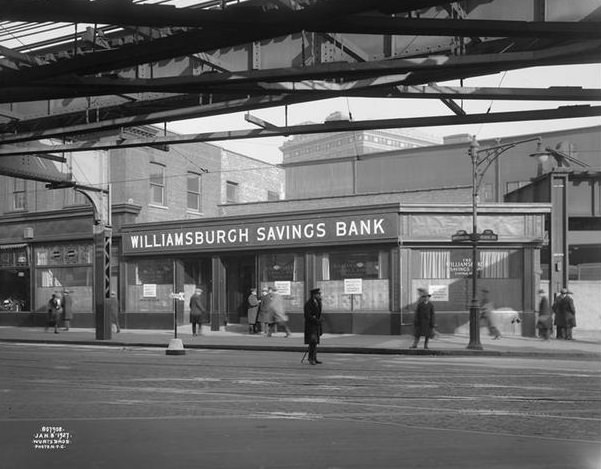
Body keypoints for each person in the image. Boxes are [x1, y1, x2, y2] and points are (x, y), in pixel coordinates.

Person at [304, 288, 323, 365]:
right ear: (314, 295)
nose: (319, 295)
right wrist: (315, 320)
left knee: (315, 343)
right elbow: (307, 316)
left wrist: (319, 320)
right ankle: (311, 358)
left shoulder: (318, 302)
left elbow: (318, 313)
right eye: (318, 294)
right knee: (312, 342)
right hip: (311, 326)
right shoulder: (308, 304)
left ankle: (314, 357)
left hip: (316, 325)